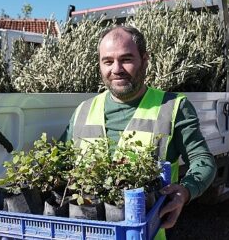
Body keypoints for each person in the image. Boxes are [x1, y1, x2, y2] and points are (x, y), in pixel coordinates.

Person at [60, 25, 217, 237]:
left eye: (126, 59)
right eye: (107, 61)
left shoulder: (173, 107)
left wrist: (185, 191)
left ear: (144, 60)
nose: (116, 69)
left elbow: (202, 159)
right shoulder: (83, 110)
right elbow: (60, 163)